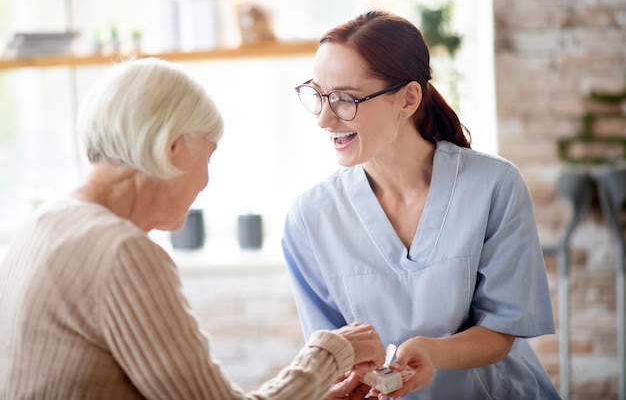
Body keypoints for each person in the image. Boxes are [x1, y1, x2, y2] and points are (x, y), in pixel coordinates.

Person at [0, 57, 387, 400]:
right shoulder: (121, 252)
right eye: (208, 155)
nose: (205, 181)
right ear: (171, 148)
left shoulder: (40, 225)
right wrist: (329, 352)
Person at [282, 10, 561, 400]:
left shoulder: (494, 186)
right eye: (318, 95)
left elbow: (503, 328)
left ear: (408, 98)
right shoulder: (309, 218)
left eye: (345, 99)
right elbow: (332, 352)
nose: (325, 119)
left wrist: (433, 351)